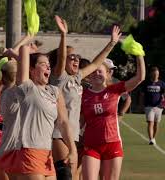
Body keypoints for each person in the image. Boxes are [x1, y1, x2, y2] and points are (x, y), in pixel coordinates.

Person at [49, 15, 122, 180]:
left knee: (73, 176)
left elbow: (96, 64)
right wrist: (63, 35)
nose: (76, 59)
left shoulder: (77, 78)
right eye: (71, 58)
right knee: (65, 175)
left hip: (74, 135)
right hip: (58, 134)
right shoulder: (59, 77)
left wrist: (112, 43)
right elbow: (60, 58)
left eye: (77, 57)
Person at [0, 45, 77, 180]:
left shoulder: (54, 91)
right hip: (29, 151)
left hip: (47, 153)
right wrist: (25, 46)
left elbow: (63, 122)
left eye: (48, 64)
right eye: (42, 64)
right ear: (32, 70)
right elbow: (23, 50)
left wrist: (73, 150)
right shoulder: (28, 88)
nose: (48, 67)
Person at [81, 55, 145, 180]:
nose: (96, 74)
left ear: (107, 74)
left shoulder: (114, 89)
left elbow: (139, 78)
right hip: (91, 144)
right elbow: (80, 120)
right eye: (93, 71)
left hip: (112, 143)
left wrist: (139, 55)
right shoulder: (83, 94)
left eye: (100, 71)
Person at [140, 66, 165, 145]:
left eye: (157, 74)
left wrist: (163, 102)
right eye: (154, 74)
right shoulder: (146, 83)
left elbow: (164, 94)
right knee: (150, 122)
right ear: (151, 74)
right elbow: (142, 94)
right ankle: (151, 139)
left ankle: (154, 138)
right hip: (149, 106)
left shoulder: (162, 83)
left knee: (156, 123)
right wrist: (141, 105)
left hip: (159, 106)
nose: (155, 76)